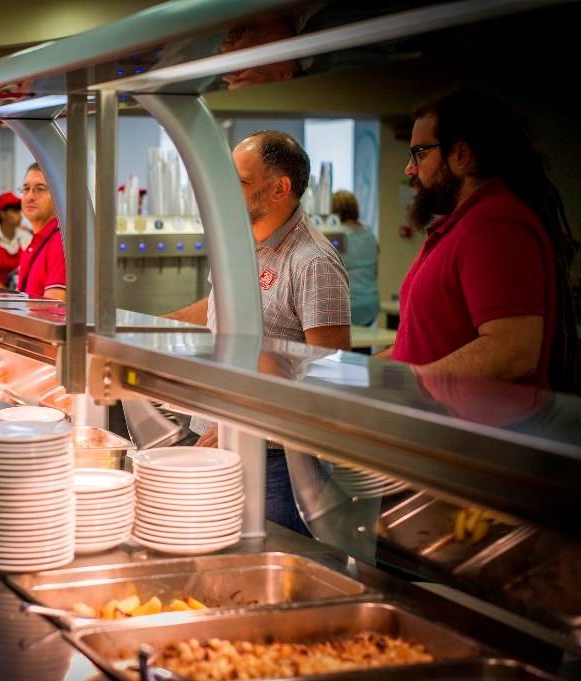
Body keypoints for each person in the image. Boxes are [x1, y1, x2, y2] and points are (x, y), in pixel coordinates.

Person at [167, 131, 351, 534]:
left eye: (240, 181)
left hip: (277, 464)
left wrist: (240, 422)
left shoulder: (313, 262)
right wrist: (153, 326)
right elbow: (221, 306)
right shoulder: (241, 242)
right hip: (219, 436)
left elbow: (328, 377)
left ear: (279, 189)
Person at [381, 88, 579, 393]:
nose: (410, 168)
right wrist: (361, 373)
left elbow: (513, 351)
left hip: (478, 434)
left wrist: (414, 385)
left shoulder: (496, 224)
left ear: (461, 155)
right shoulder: (458, 226)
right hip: (438, 426)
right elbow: (424, 345)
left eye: (420, 153)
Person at [17, 163, 66, 301]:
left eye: (40, 189)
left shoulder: (60, 242)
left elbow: (53, 313)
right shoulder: (39, 240)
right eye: (26, 189)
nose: (30, 197)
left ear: (58, 195)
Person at [330, 190, 380, 327]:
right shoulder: (369, 233)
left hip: (347, 305)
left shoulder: (337, 235)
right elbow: (375, 269)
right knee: (363, 345)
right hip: (371, 304)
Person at [0, 191, 31, 289]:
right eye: (14, 211)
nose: (19, 215)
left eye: (19, 211)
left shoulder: (26, 237)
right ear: (2, 214)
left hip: (22, 294)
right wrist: (10, 297)